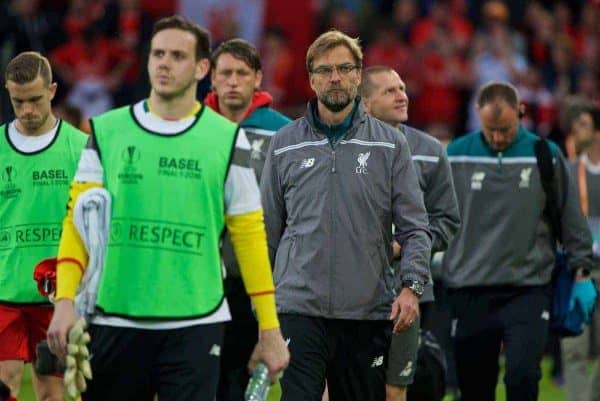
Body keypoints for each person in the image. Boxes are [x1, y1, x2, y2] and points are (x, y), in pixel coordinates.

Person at [46, 15, 289, 401]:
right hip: (115, 318)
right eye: (158, 53)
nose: (164, 62)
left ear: (201, 68)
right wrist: (63, 301)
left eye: (177, 55)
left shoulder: (227, 140)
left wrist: (270, 329)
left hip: (198, 321)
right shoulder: (107, 131)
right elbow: (77, 222)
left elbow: (249, 235)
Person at [260, 30, 432, 401]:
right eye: (324, 70)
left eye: (343, 68)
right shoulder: (285, 144)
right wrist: (263, 309)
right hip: (298, 306)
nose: (334, 77)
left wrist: (412, 287)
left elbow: (416, 227)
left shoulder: (390, 143)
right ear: (310, 79)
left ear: (358, 74)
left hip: (367, 309)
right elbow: (268, 233)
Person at [443, 81, 596, 401]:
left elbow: (571, 217)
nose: (498, 137)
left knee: (523, 376)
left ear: (522, 114)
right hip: (470, 288)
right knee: (474, 388)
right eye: (491, 130)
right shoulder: (455, 155)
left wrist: (581, 271)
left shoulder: (545, 155)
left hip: (528, 288)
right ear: (477, 116)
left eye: (506, 129)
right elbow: (434, 214)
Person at [360, 65, 460, 401]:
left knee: (396, 389)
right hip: (351, 291)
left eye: (402, 87)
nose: (402, 95)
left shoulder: (430, 150)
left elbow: (447, 220)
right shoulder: (345, 150)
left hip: (410, 288)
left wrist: (402, 246)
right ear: (365, 103)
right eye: (389, 90)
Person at [203, 38, 291, 401]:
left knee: (242, 382)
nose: (233, 81)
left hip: (256, 280)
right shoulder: (191, 127)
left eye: (242, 73)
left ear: (258, 78)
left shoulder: (284, 133)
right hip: (199, 278)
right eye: (225, 73)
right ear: (211, 78)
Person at [0, 51, 88, 401]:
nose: (27, 111)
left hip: (56, 295)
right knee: (4, 384)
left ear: (52, 90)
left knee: (50, 392)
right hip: (3, 291)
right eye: (18, 101)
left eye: (35, 100)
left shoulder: (80, 148)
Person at [561, 105, 600, 401]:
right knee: (573, 346)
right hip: (577, 268)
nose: (578, 131)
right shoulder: (568, 171)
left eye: (584, 124)